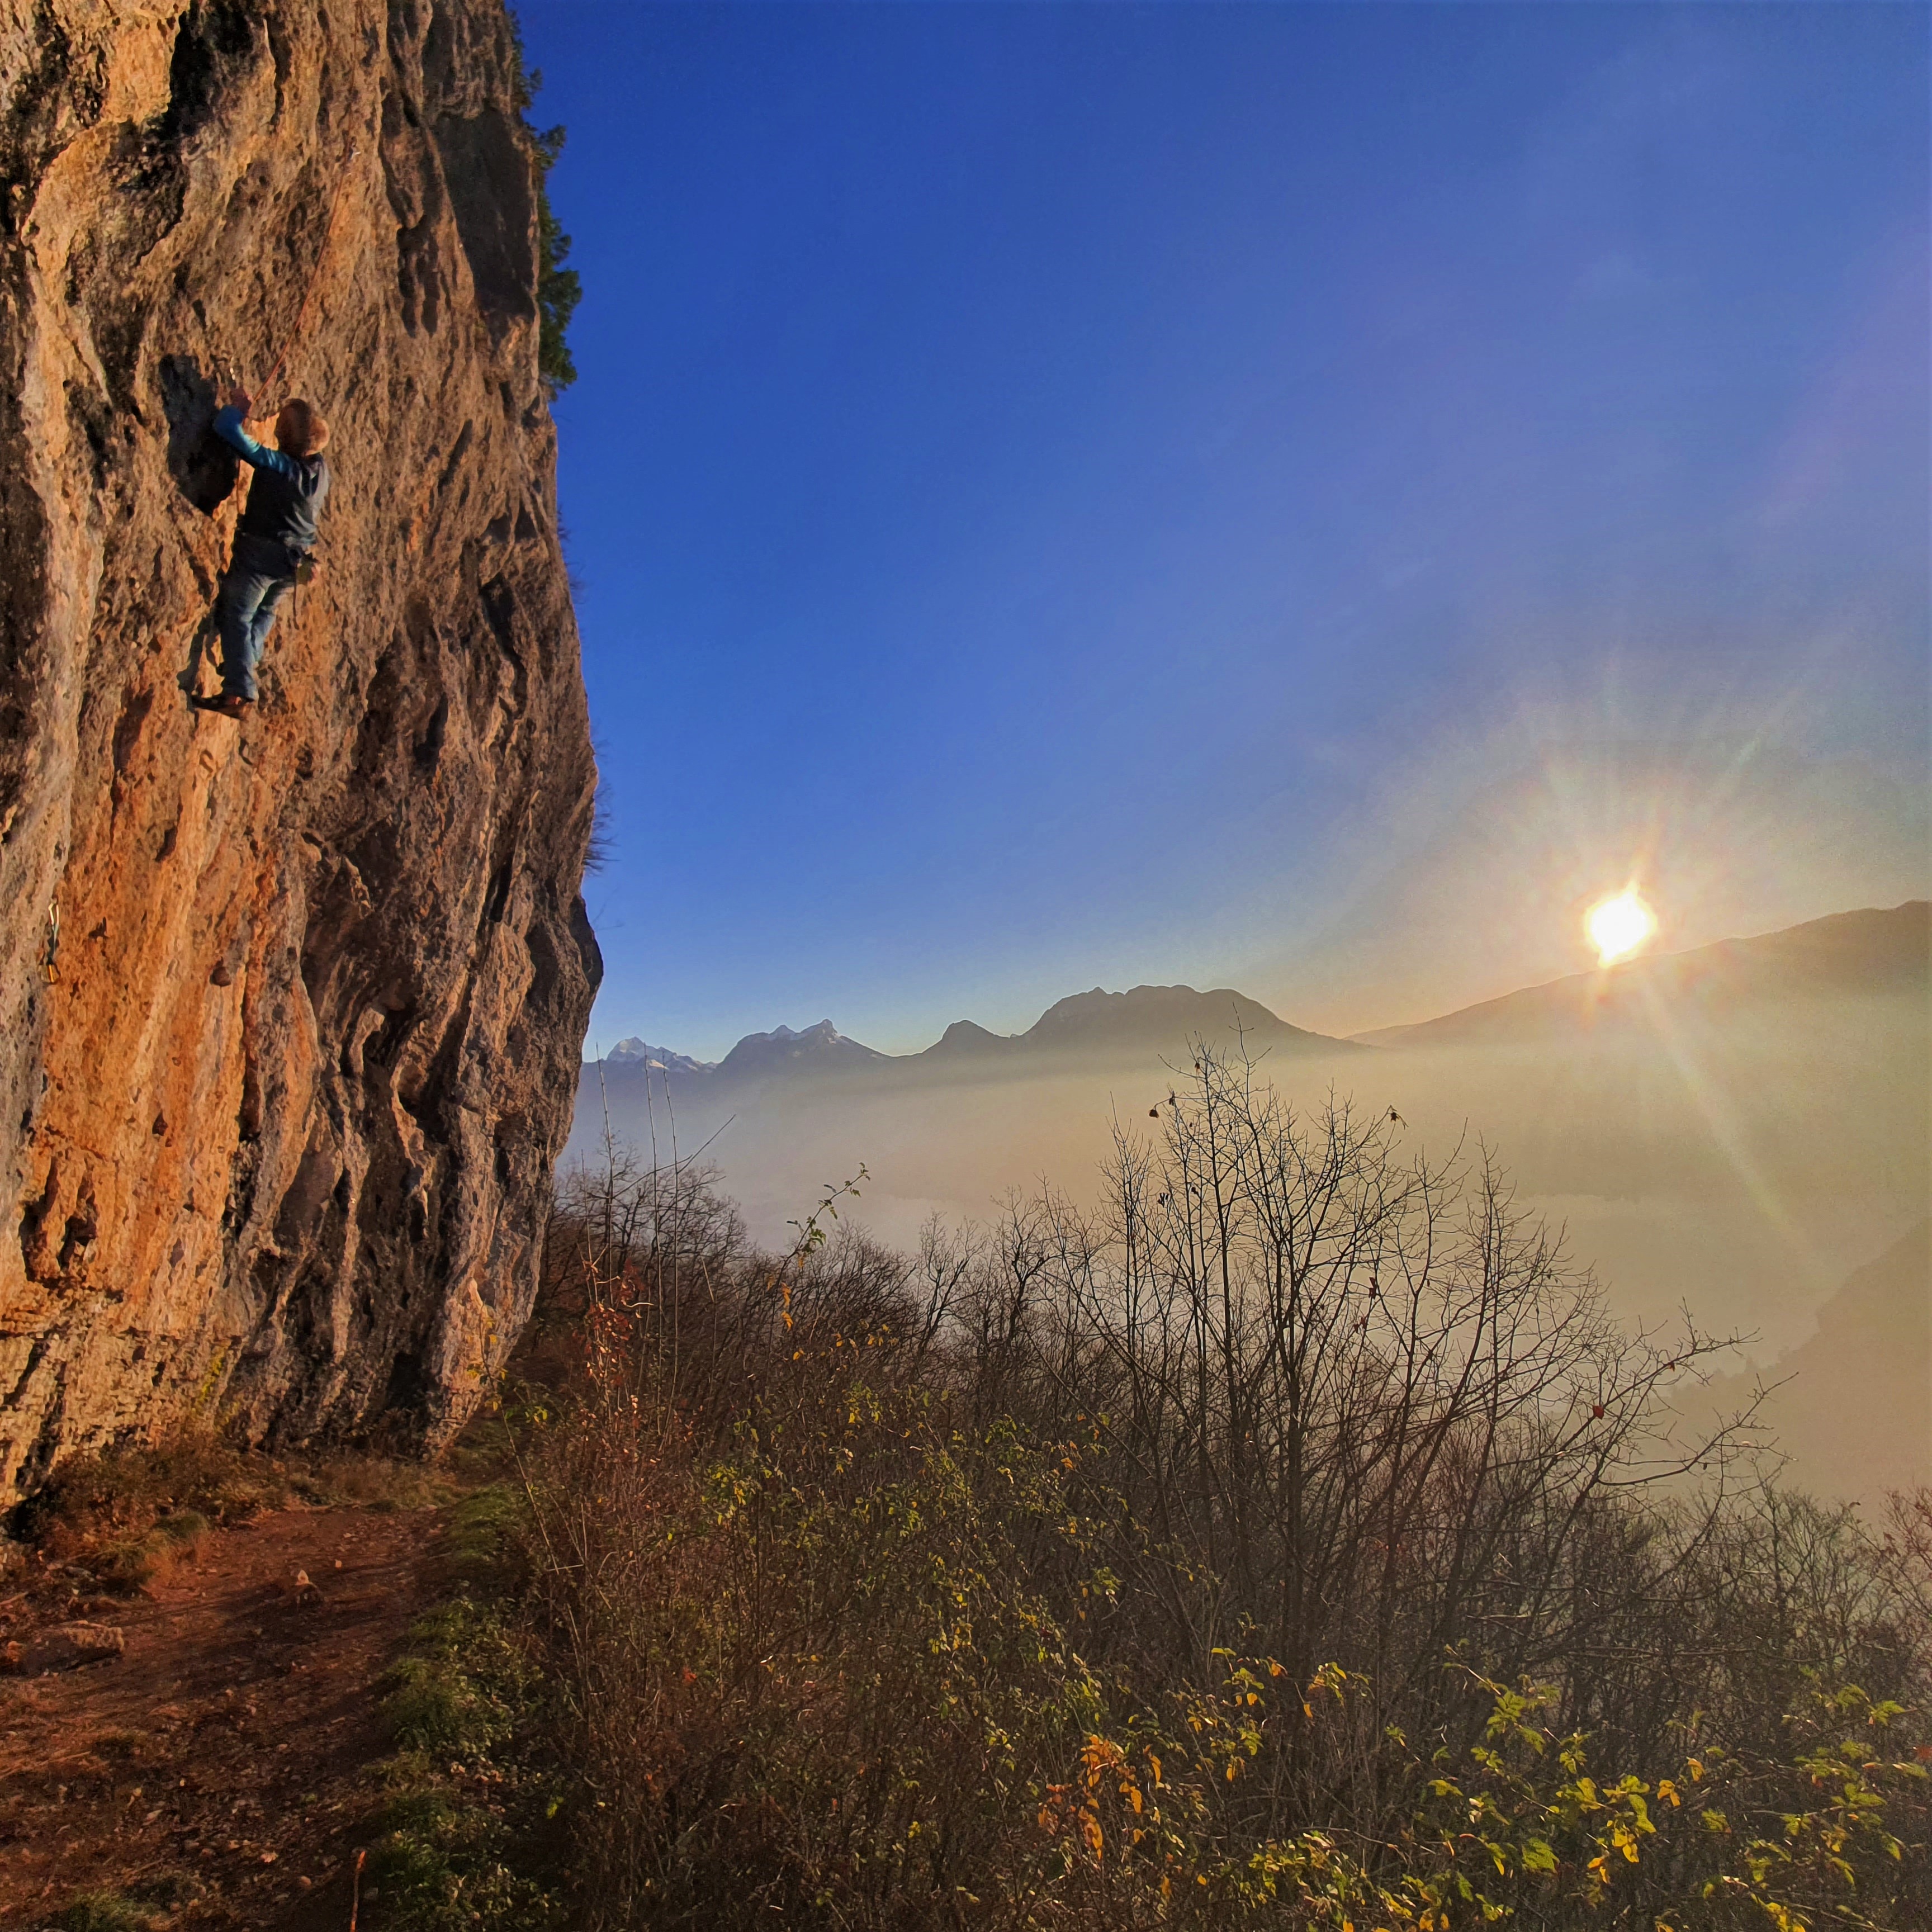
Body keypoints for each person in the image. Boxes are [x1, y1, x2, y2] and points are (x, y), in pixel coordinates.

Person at [195, 387, 332, 718]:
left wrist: (238, 410)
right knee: (264, 613)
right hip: (296, 560)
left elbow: (228, 431)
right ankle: (244, 662)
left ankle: (239, 692)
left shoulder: (282, 467)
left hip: (263, 555)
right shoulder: (320, 470)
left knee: (238, 615)